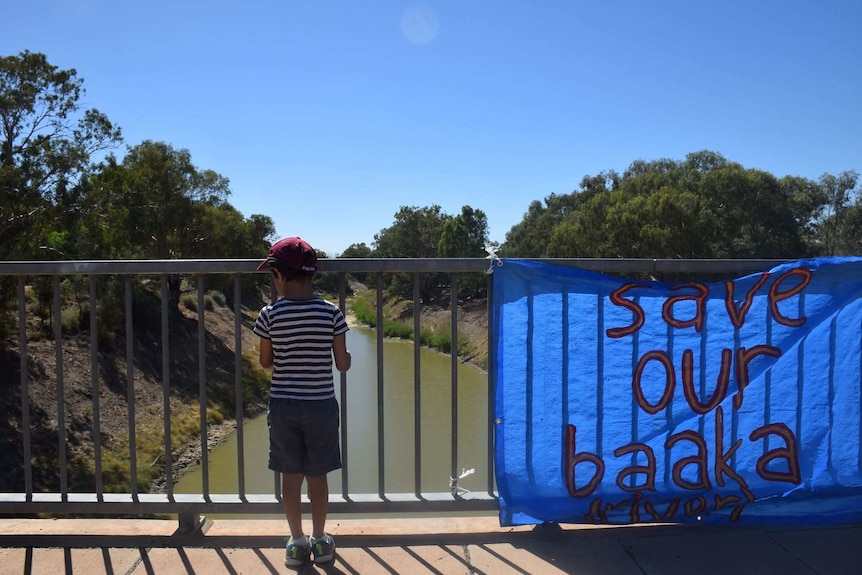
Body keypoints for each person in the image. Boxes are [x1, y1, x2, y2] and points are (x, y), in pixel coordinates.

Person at [252, 236, 352, 567]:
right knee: (318, 476)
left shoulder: (269, 314)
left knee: (290, 478)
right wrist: (346, 355)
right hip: (321, 405)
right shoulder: (332, 313)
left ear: (279, 276)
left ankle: (296, 544)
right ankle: (321, 541)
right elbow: (342, 363)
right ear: (312, 275)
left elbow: (266, 363)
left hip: (283, 406)